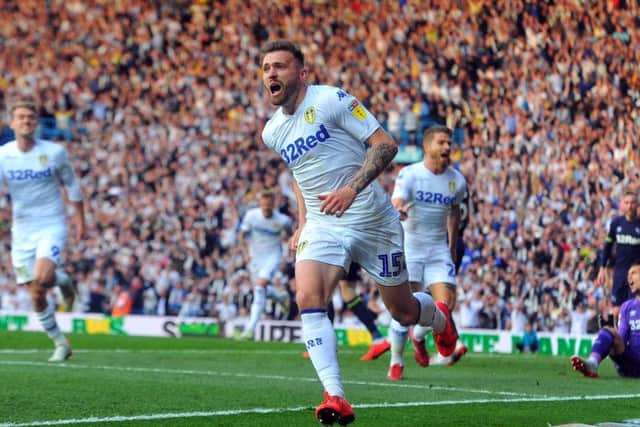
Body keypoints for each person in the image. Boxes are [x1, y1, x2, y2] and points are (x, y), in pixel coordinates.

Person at [259, 40, 456, 426]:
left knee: (401, 310)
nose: (271, 74)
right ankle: (336, 395)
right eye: (266, 68)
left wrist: (352, 188)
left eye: (280, 66)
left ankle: (439, 320)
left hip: (372, 219)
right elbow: (299, 176)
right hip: (322, 222)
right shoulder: (272, 132)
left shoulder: (331, 100)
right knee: (308, 297)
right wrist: (302, 223)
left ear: (301, 74)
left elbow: (385, 145)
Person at [0, 98, 85, 362]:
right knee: (37, 292)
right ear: (12, 122)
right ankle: (61, 342)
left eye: (31, 117)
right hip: (22, 229)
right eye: (21, 117)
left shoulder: (55, 152)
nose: (26, 121)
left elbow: (71, 186)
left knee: (41, 274)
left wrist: (81, 220)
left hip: (51, 223)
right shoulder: (4, 156)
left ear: (36, 123)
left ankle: (58, 280)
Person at [387, 125, 466, 380]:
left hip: (438, 249)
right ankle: (396, 361)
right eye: (441, 143)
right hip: (410, 248)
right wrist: (398, 208)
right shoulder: (410, 174)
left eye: (449, 143)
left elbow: (454, 212)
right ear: (427, 146)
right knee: (405, 310)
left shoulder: (457, 180)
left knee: (445, 306)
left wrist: (452, 245)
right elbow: (397, 199)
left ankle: (418, 337)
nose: (447, 148)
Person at [237, 189, 292, 340]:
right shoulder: (251, 216)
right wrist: (245, 254)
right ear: (260, 204)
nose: (266, 210)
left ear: (273, 204)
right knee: (259, 289)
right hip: (254, 258)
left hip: (272, 257)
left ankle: (250, 329)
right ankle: (281, 298)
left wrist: (287, 251)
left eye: (269, 207)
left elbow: (290, 234)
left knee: (260, 287)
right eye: (264, 207)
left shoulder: (283, 220)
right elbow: (241, 235)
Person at [571, 261, 640, 378]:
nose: (629, 277)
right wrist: (610, 334)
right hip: (632, 362)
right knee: (607, 331)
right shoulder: (627, 307)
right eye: (628, 274)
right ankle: (592, 363)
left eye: (633, 273)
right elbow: (621, 339)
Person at [430, 181, 471, 366]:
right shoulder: (463, 188)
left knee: (437, 297)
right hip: (458, 241)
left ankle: (450, 345)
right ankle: (453, 343)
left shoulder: (443, 186)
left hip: (445, 242)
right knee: (441, 296)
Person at [596, 189, 640, 325]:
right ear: (622, 204)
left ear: (637, 205)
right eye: (627, 202)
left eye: (632, 203)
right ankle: (617, 338)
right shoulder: (616, 223)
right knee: (616, 310)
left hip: (636, 273)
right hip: (620, 272)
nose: (630, 206)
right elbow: (608, 246)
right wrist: (602, 268)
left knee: (634, 307)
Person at [339, 264, 390, 361]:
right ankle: (377, 337)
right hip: (347, 251)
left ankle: (378, 338)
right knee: (345, 290)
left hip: (341, 250)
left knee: (342, 290)